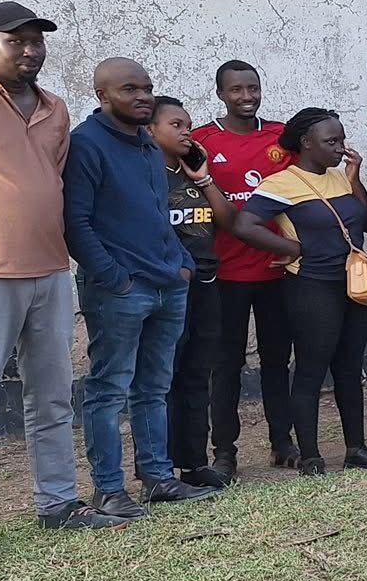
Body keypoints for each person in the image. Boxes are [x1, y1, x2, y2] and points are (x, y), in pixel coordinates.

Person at [0, 3, 130, 570]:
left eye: (38, 41)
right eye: (17, 41)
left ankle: (57, 503)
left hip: (49, 270)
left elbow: (47, 183)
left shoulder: (56, 109)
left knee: (53, 395)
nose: (31, 50)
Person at [65, 57, 218, 518]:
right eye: (129, 89)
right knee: (109, 388)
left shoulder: (149, 146)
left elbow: (158, 214)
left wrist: (182, 264)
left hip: (168, 283)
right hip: (119, 290)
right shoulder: (85, 145)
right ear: (102, 95)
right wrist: (115, 277)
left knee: (154, 387)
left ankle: (158, 478)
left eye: (147, 88)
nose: (143, 96)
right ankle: (109, 490)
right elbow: (75, 222)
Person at [234, 109, 367, 475]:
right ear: (306, 143)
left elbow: (366, 222)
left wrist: (354, 179)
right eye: (331, 141)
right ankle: (310, 456)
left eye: (341, 140)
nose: (340, 148)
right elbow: (244, 224)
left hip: (352, 283)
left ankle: (356, 448)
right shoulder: (281, 183)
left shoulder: (340, 176)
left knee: (349, 368)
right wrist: (292, 249)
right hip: (311, 286)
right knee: (311, 369)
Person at [193, 60, 297, 476]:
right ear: (221, 94)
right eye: (236, 89)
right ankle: (225, 451)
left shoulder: (281, 137)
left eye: (253, 88)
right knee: (226, 365)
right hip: (225, 273)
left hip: (277, 270)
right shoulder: (202, 141)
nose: (247, 96)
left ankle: (282, 442)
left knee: (277, 360)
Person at [151, 96, 237, 490]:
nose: (187, 132)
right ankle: (158, 467)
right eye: (176, 125)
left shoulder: (193, 172)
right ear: (150, 130)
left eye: (188, 125)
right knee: (164, 377)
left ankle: (194, 462)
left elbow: (228, 220)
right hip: (169, 285)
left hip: (206, 283)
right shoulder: (148, 175)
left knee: (198, 373)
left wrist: (203, 178)